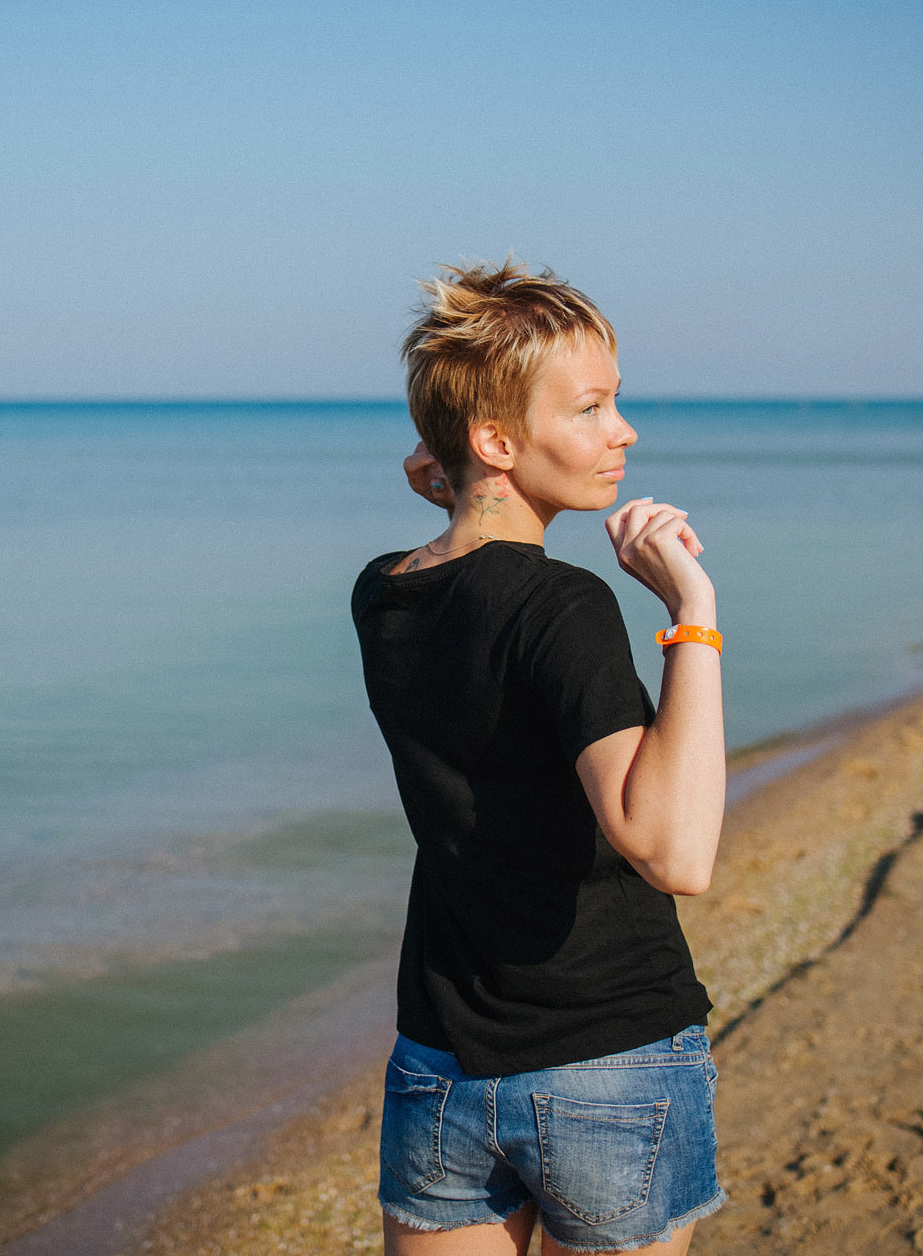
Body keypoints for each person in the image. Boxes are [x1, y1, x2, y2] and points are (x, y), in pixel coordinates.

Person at [352, 259, 727, 1255]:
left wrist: (466, 471)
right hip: (609, 1058)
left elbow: (443, 492)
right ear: (497, 440)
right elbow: (674, 850)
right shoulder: (564, 607)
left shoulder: (383, 594)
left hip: (439, 1063)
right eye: (591, 408)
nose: (623, 432)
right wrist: (691, 612)